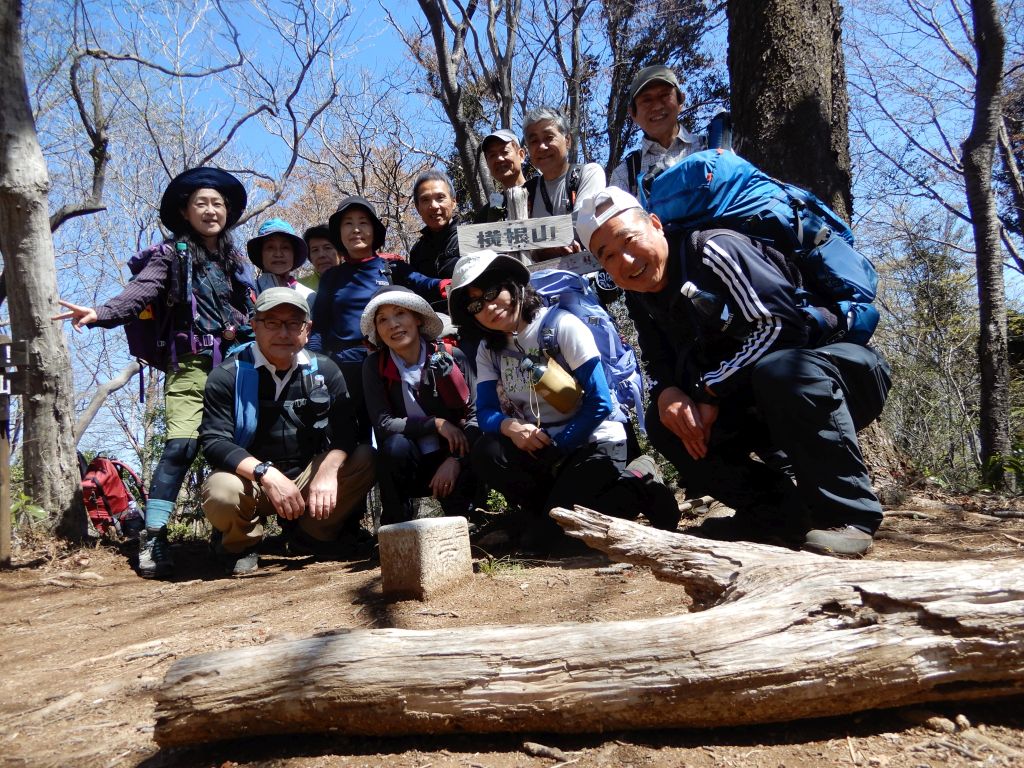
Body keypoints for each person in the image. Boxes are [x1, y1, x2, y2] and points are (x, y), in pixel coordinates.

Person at [577, 186, 892, 557]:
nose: (625, 261)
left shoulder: (712, 249)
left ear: (656, 225)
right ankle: (779, 516)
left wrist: (709, 392)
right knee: (666, 422)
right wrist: (669, 393)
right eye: (608, 256)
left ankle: (849, 516)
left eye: (629, 240)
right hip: (755, 394)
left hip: (837, 376)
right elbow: (658, 360)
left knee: (782, 371)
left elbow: (782, 329)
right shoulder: (641, 293)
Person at [54, 167, 257, 579]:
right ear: (185, 211)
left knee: (234, 452)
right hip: (192, 365)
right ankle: (154, 535)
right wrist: (101, 314)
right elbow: (141, 292)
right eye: (201, 203)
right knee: (181, 447)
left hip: (236, 368)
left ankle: (230, 534)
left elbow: (253, 309)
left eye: (218, 203)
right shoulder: (169, 255)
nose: (211, 210)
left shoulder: (236, 259)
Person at [447, 250, 680, 552]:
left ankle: (638, 482)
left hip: (594, 441)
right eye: (476, 304)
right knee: (487, 451)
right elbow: (487, 411)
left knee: (554, 542)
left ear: (512, 285)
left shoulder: (561, 325)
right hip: (543, 445)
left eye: (492, 293)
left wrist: (558, 447)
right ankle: (543, 515)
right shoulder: (489, 350)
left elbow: (600, 403)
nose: (489, 307)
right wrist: (512, 428)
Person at [199, 288, 375, 574]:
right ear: (254, 326)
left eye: (294, 323)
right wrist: (265, 474)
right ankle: (240, 543)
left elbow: (346, 433)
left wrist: (328, 472)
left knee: (365, 457)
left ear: (307, 330)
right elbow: (214, 441)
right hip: (254, 481)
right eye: (272, 322)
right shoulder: (229, 374)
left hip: (307, 477)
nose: (283, 332)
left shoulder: (325, 371)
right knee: (221, 490)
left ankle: (312, 534)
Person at [307, 195, 449, 439]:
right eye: (348, 223)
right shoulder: (332, 277)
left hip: (389, 364)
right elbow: (319, 327)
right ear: (339, 234)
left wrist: (447, 285)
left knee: (395, 434)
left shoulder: (391, 267)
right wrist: (314, 366)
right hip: (346, 369)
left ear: (374, 230)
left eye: (363, 222)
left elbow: (421, 282)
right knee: (353, 436)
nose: (356, 229)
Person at [361, 286, 478, 525]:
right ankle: (396, 527)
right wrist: (435, 424)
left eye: (400, 313)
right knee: (394, 447)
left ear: (417, 317)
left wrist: (456, 460)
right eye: (382, 319)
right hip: (410, 461)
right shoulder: (375, 366)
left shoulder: (452, 355)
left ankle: (472, 516)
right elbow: (383, 424)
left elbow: (477, 412)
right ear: (377, 331)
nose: (393, 324)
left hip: (453, 456)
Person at [608, 65, 708, 197]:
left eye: (665, 95)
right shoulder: (625, 174)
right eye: (647, 100)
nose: (657, 106)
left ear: (681, 101)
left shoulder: (712, 146)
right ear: (632, 113)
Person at [408, 170, 462, 308]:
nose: (434, 206)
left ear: (454, 202)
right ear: (418, 208)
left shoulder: (469, 238)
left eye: (440, 197)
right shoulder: (417, 251)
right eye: (425, 200)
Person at [249, 218, 315, 303]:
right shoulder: (248, 294)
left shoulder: (310, 297)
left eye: (285, 247)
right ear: (260, 254)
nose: (278, 254)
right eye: (270, 247)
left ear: (294, 254)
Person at [475, 129, 528, 223]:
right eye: (492, 155)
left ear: (521, 155)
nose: (498, 159)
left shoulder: (542, 192)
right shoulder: (485, 215)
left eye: (505, 152)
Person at [298, 224, 342, 295]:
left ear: (340, 252)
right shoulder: (298, 288)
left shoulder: (357, 282)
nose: (321, 255)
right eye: (315, 250)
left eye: (327, 248)